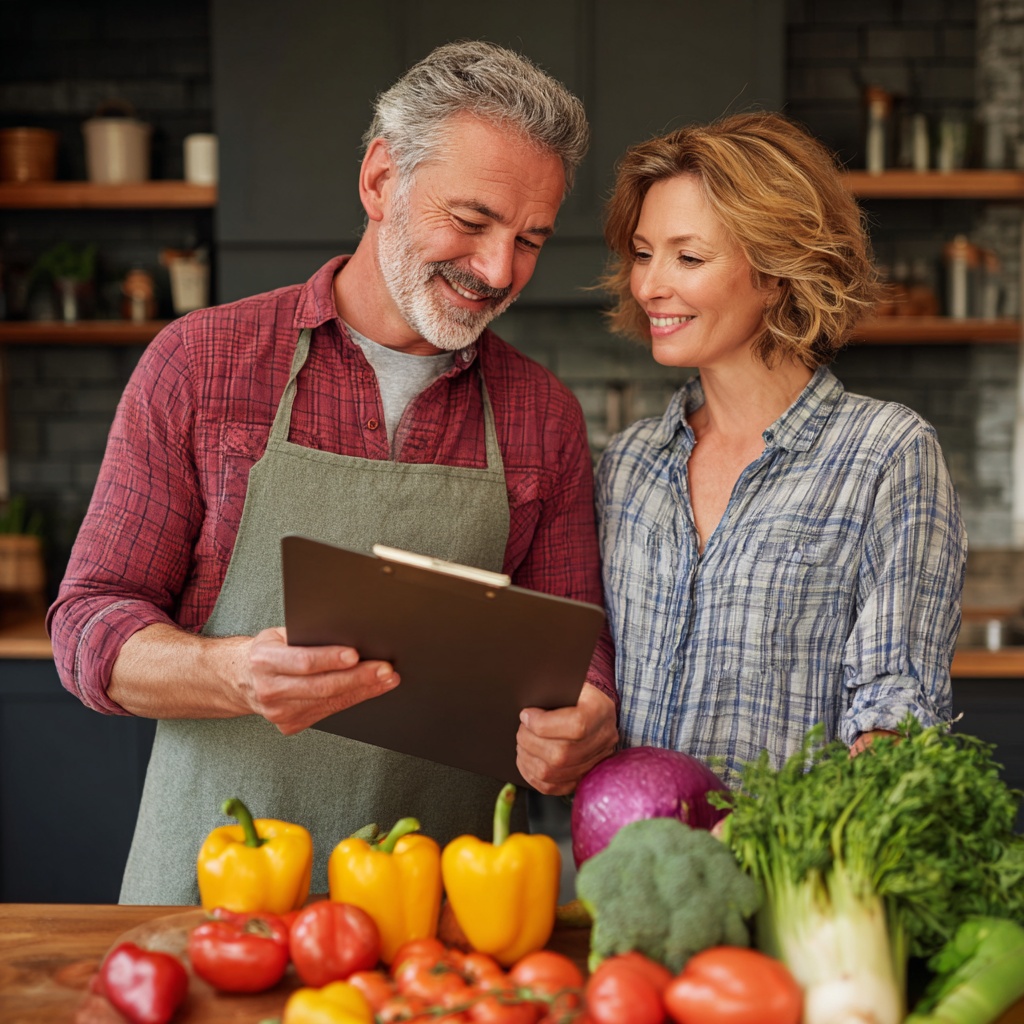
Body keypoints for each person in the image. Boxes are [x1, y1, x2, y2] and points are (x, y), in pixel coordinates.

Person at [49, 41, 618, 904]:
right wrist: (232, 671)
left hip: (436, 916)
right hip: (209, 895)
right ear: (381, 181)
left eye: (530, 238)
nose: (500, 270)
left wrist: (583, 717)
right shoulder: (202, 363)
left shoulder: (544, 417)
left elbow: (576, 652)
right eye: (471, 221)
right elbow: (88, 624)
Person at [596, 113, 966, 784]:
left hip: (788, 877)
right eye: (644, 252)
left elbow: (896, 718)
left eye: (688, 256)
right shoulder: (627, 465)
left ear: (775, 270)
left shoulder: (885, 456)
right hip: (624, 880)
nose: (649, 285)